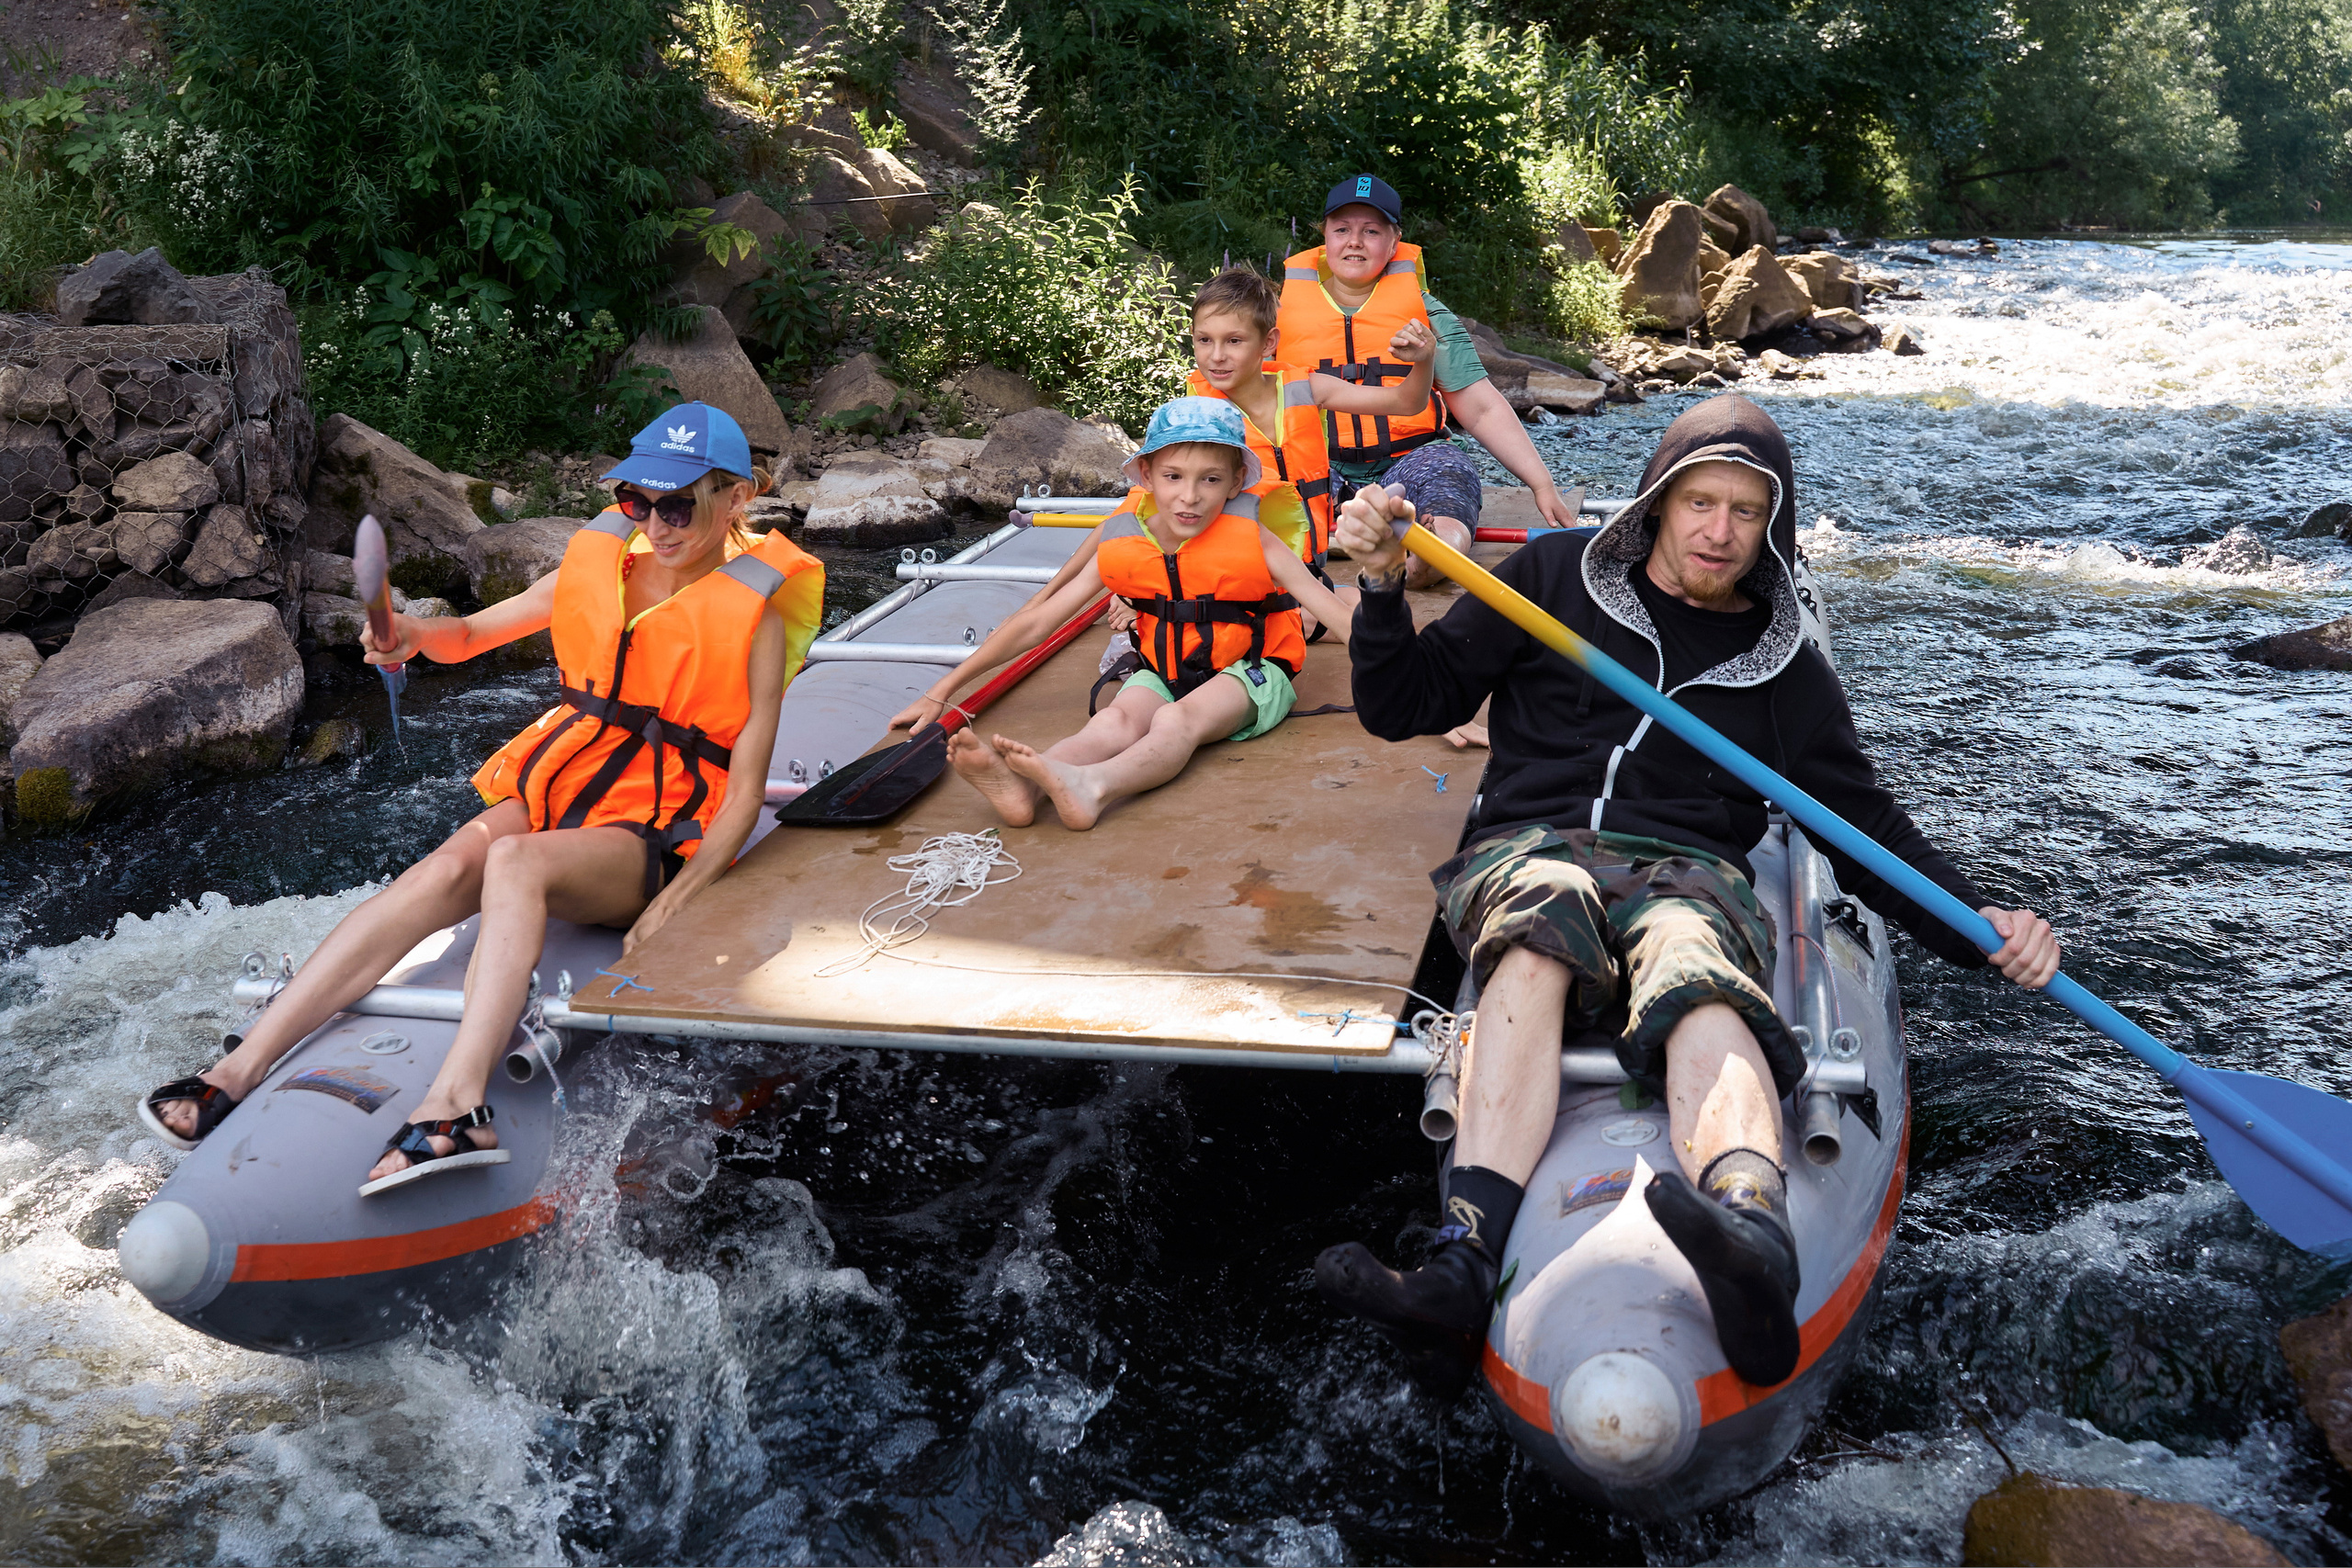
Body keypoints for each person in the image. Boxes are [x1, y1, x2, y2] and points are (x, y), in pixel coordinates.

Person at [1315, 394, 2060, 1395]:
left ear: (1771, 526)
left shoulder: (1783, 664)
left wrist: (1983, 930)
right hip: (1534, 847)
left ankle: (1751, 1234)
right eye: (1699, 502)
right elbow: (1401, 705)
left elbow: (1866, 829)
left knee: (1695, 969)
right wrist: (1376, 587)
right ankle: (1463, 1257)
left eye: (1745, 512)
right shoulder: (1547, 577)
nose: (1718, 531)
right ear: (1657, 504)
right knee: (1539, 928)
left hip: (1686, 871)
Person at [137, 404, 824, 1194]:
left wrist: (683, 897)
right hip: (570, 782)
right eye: (639, 501)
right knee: (444, 866)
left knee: (516, 863)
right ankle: (238, 1065)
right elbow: (466, 636)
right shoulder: (603, 563)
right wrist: (407, 636)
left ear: (736, 497)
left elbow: (743, 793)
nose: (656, 524)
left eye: (679, 505)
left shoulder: (757, 616)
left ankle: (461, 1106)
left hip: (660, 829)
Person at [897, 396, 1353, 830]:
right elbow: (1037, 622)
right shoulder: (1125, 546)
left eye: (1210, 480)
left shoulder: (1255, 542)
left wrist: (1414, 669)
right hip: (1165, 669)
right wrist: (943, 691)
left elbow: (1336, 614)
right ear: (1148, 477)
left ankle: (1093, 787)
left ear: (1236, 484)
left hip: (1250, 670)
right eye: (1174, 477)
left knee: (1176, 721)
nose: (1189, 497)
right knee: (1113, 721)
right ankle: (1024, 791)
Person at [1278, 174, 1581, 588]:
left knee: (1449, 473)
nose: (1355, 242)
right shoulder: (1278, 316)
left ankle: (1437, 552)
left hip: (1412, 461)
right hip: (1320, 464)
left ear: (1394, 240)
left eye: (1371, 231)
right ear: (1323, 237)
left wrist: (1541, 484)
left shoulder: (1427, 314)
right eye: (1342, 229)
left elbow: (1480, 406)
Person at [1187, 265, 1434, 575]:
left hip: (1306, 570)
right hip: (1231, 576)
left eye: (1234, 341)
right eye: (1204, 340)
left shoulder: (1307, 388)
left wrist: (1424, 360)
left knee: (1364, 613)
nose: (1217, 355)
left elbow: (1407, 403)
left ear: (1268, 343)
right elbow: (1163, 506)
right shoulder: (1192, 412)